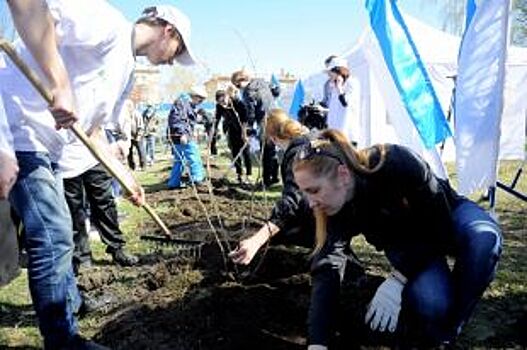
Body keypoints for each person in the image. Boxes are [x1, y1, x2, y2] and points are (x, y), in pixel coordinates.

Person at [1, 2, 196, 349]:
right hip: (18, 129)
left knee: (58, 232)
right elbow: (30, 7)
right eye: (177, 51)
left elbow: (93, 133)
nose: (171, 61)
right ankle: (63, 340)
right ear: (168, 30)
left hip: (48, 147)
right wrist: (59, 82)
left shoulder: (126, 72)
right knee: (54, 232)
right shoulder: (107, 24)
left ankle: (70, 307)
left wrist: (126, 176)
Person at [242, 129, 500, 349]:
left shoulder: (394, 162)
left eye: (314, 190)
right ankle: (441, 313)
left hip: (446, 214)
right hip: (405, 244)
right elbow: (327, 270)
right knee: (431, 302)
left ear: (343, 175)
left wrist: (399, 278)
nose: (310, 203)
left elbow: (439, 227)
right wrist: (318, 343)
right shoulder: (333, 210)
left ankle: (451, 328)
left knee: (483, 241)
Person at [229, 109, 314, 261]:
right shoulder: (309, 140)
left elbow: (291, 203)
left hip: (326, 220)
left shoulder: (297, 155)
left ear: (274, 139)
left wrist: (257, 240)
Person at [231, 69, 279, 188]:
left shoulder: (248, 91)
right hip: (276, 116)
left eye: (237, 85)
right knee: (272, 149)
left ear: (241, 80)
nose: (238, 88)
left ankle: (266, 181)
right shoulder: (262, 83)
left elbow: (250, 111)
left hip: (264, 120)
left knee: (265, 150)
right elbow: (276, 92)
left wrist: (250, 128)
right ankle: (275, 177)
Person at [167, 85, 207, 189]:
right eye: (201, 99)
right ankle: (197, 179)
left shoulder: (186, 104)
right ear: (195, 96)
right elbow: (178, 119)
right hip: (182, 135)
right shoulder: (182, 103)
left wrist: (201, 119)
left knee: (179, 159)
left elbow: (189, 119)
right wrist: (182, 134)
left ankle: (173, 183)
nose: (201, 102)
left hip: (176, 135)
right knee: (193, 156)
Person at [215, 88, 252, 184]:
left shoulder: (239, 103)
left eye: (223, 101)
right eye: (220, 103)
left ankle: (248, 175)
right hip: (232, 130)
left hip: (243, 128)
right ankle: (239, 175)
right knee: (235, 153)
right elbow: (217, 119)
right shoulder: (219, 106)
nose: (222, 104)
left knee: (246, 153)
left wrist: (244, 134)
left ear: (228, 96)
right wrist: (213, 132)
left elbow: (245, 120)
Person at [324, 56, 358, 145]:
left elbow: (345, 103)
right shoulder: (334, 86)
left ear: (338, 71)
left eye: (331, 72)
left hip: (347, 136)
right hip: (335, 134)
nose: (329, 75)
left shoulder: (351, 83)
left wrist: (340, 88)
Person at [127, 102, 146, 171]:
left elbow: (141, 126)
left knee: (141, 151)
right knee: (129, 152)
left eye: (129, 106)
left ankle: (143, 166)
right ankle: (132, 166)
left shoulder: (137, 114)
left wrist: (138, 136)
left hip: (137, 135)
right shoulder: (126, 115)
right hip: (129, 137)